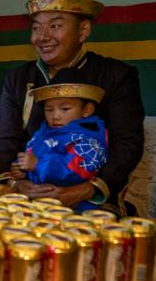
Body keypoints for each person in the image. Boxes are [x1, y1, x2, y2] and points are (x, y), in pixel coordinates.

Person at [0, 0, 145, 212]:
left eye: (55, 26)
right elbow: (5, 141)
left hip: (87, 199)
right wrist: (15, 184)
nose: (42, 37)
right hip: (27, 192)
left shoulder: (116, 76)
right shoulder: (19, 78)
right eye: (36, 27)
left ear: (83, 30)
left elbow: (127, 145)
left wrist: (85, 190)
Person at [14, 80, 108, 211]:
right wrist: (21, 168)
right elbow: (31, 154)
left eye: (65, 109)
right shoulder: (43, 132)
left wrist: (38, 164)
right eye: (49, 110)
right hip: (38, 203)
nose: (55, 116)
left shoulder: (89, 140)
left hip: (74, 208)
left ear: (87, 110)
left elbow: (76, 171)